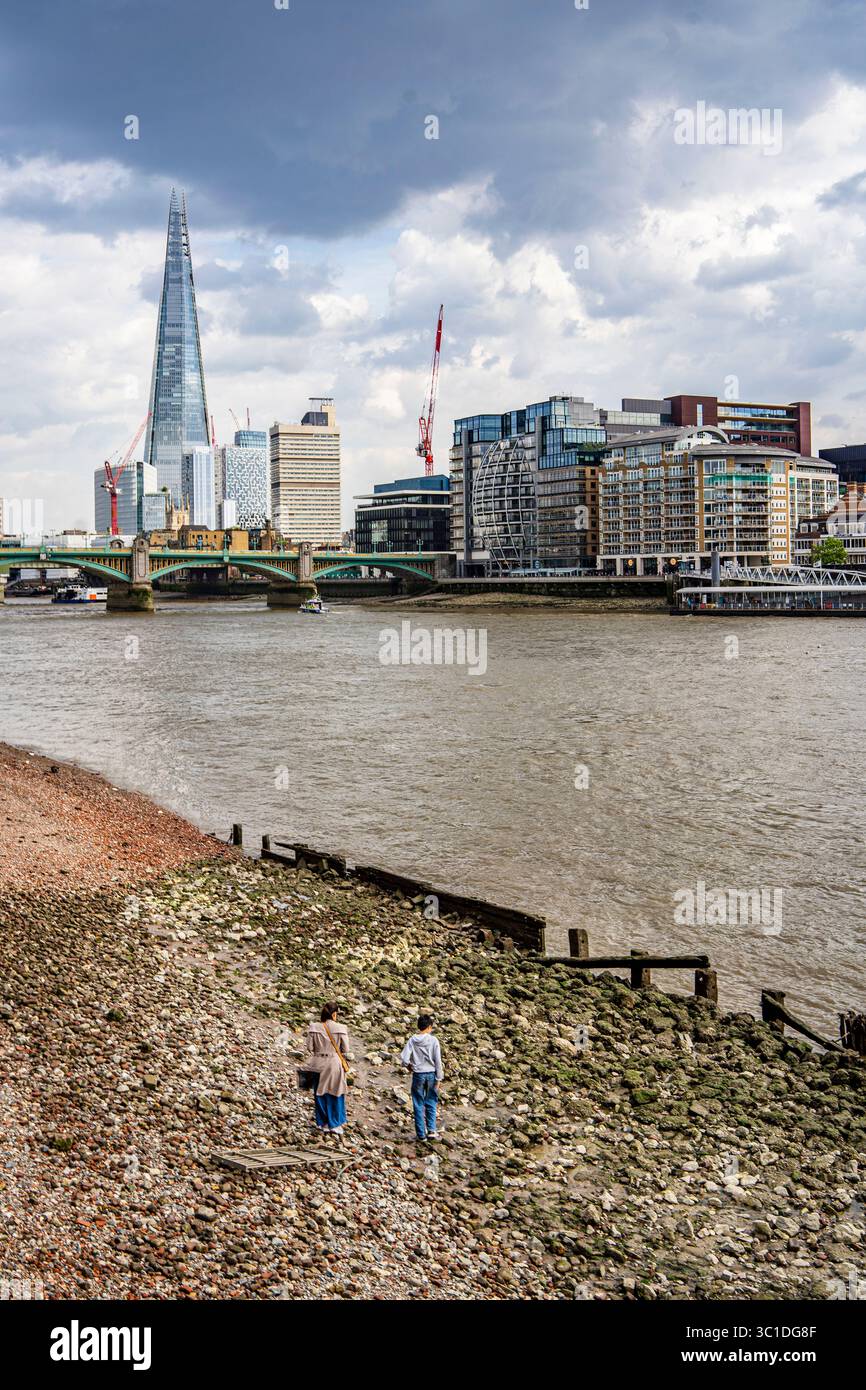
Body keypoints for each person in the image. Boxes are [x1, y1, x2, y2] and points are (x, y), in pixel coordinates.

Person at [304, 1003, 350, 1136]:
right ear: (334, 1014)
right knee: (336, 1092)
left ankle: (323, 1123)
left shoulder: (314, 1027)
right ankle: (334, 1124)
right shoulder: (341, 1028)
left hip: (317, 1062)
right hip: (333, 1063)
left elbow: (310, 1047)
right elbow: (346, 1049)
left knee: (319, 1092)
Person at [400, 1014, 443, 1142]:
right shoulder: (433, 1040)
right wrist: (439, 1078)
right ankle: (431, 1130)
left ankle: (421, 1134)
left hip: (418, 1074)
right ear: (429, 1027)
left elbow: (404, 1058)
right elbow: (438, 1061)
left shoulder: (413, 1040)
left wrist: (408, 1067)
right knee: (431, 1102)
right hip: (431, 1074)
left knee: (418, 1103)